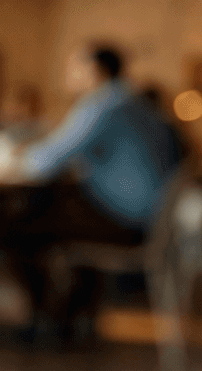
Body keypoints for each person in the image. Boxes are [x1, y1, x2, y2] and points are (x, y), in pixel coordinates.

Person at [19, 45, 182, 235]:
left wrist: (11, 157)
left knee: (32, 215)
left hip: (136, 215)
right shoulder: (132, 98)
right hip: (165, 210)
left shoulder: (102, 105)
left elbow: (44, 163)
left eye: (73, 67)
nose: (67, 74)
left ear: (93, 70)